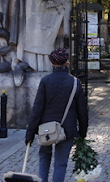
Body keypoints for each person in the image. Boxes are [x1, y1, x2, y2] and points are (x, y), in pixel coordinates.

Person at [25, 48, 88, 182]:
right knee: (61, 163)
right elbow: (82, 110)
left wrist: (30, 133)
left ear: (52, 63)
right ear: (67, 62)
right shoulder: (75, 82)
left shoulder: (46, 81)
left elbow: (37, 109)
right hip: (67, 128)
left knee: (44, 158)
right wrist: (83, 131)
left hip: (46, 129)